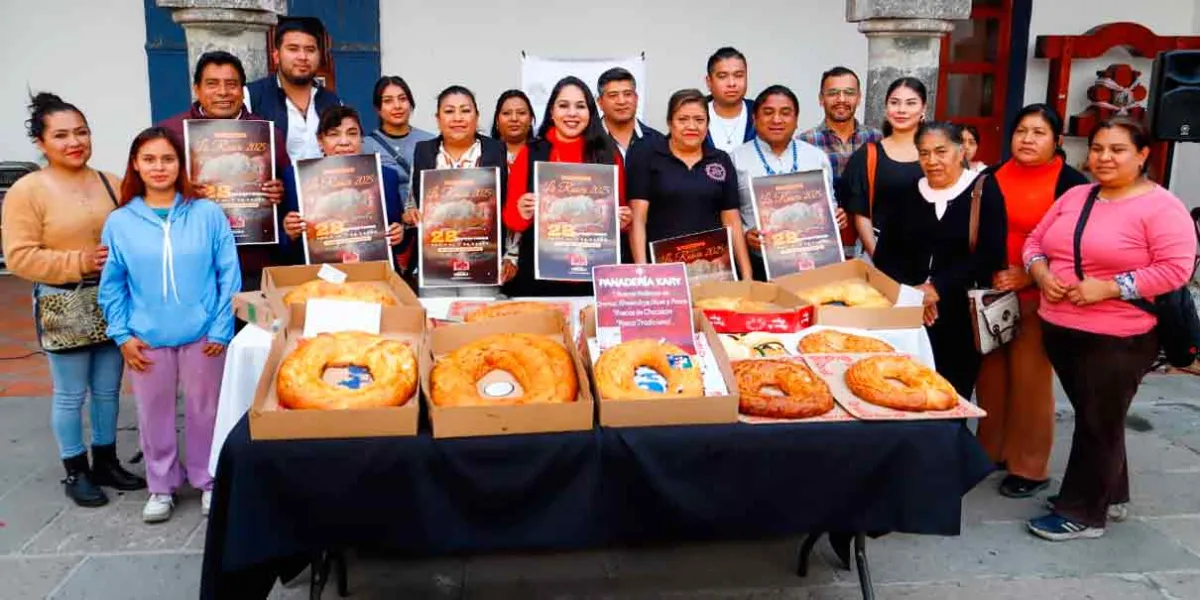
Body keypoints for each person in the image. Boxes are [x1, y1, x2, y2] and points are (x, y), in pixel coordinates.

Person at [1024, 118, 1195, 541]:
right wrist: (1042, 273)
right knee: (1097, 415)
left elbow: (1175, 270)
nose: (1104, 157)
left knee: (1099, 421)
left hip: (1120, 334)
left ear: (1142, 156)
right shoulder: (1077, 196)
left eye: (1117, 150)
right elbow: (1034, 242)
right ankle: (1110, 494)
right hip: (1061, 326)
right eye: (1098, 148)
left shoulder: (1161, 207)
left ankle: (1081, 512)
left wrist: (1112, 287)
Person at [1, 93, 146, 507]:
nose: (74, 142)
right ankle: (75, 469)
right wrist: (78, 260)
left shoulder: (108, 181)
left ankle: (106, 461)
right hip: (62, 302)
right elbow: (20, 256)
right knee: (69, 393)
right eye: (61, 135)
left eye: (81, 132)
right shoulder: (28, 191)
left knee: (107, 389)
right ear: (41, 143)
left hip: (112, 300)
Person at [98, 127, 240, 523]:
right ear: (136, 166)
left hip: (203, 335)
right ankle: (161, 485)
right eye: (149, 159)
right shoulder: (121, 222)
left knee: (205, 410)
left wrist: (220, 327)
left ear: (181, 164)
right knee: (153, 411)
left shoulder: (206, 213)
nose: (159, 167)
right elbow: (112, 285)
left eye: (167, 159)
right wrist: (122, 334)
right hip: (146, 337)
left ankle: (208, 480)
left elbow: (227, 272)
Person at [975, 104, 1088, 499]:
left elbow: (1079, 246)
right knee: (990, 378)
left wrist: (1030, 276)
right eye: (1021, 130)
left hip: (1041, 294)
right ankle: (991, 450)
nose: (1027, 139)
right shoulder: (990, 177)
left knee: (1030, 381)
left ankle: (1030, 466)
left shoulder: (1072, 185)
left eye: (1039, 132)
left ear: (1057, 140)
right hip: (992, 294)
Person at [872, 121, 1006, 397]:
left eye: (941, 152)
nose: (932, 161)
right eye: (924, 153)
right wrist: (915, 293)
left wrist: (937, 289)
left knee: (950, 396)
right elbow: (885, 254)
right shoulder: (909, 192)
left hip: (961, 315)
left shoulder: (983, 190)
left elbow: (989, 254)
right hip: (910, 314)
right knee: (905, 393)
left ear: (961, 152)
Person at [157, 50, 288, 293]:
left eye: (231, 84)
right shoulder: (170, 133)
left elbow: (290, 193)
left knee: (253, 327)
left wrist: (280, 190)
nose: (223, 92)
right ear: (197, 89)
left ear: (242, 90)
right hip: (193, 259)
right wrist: (181, 191)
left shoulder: (267, 134)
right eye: (212, 84)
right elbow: (148, 194)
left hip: (252, 260)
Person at [502, 76, 630, 297]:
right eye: (563, 106)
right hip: (541, 273)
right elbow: (511, 220)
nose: (572, 113)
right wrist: (522, 211)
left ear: (590, 113)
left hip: (594, 272)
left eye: (580, 106)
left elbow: (619, 219)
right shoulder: (531, 152)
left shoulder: (608, 154)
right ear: (552, 112)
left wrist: (623, 220)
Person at [629, 89, 753, 280]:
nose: (691, 126)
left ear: (708, 124)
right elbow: (638, 219)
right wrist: (642, 272)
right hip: (664, 271)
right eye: (683, 119)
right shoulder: (648, 156)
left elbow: (732, 221)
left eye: (699, 120)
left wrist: (747, 275)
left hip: (713, 270)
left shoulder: (721, 160)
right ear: (670, 122)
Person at [730, 85, 847, 281]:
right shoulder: (735, 159)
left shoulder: (816, 157)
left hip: (814, 262)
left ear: (796, 120)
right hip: (760, 262)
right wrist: (744, 234)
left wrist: (836, 216)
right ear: (754, 119)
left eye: (785, 113)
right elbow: (727, 213)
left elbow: (829, 205)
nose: (777, 120)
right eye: (768, 113)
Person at [404, 85, 510, 297]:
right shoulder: (424, 152)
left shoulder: (496, 151)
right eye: (449, 111)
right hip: (435, 262)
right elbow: (412, 200)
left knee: (478, 324)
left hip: (482, 260)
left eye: (465, 110)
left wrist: (511, 256)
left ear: (477, 116)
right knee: (438, 323)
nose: (458, 118)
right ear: (438, 118)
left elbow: (507, 205)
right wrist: (410, 213)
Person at [280, 106, 404, 267]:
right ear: (320, 141)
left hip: (372, 274)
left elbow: (398, 235)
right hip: (319, 277)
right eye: (334, 134)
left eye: (352, 133)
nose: (344, 142)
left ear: (361, 138)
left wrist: (399, 234)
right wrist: (289, 233)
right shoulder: (295, 177)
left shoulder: (386, 177)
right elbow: (282, 246)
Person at [841, 77, 928, 258]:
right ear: (886, 108)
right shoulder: (869, 155)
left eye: (911, 103)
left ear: (923, 109)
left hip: (931, 252)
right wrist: (878, 257)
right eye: (894, 103)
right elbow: (860, 214)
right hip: (879, 248)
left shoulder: (937, 154)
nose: (901, 110)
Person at [245, 19, 341, 163]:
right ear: (276, 56)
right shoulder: (250, 97)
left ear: (319, 56)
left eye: (310, 50)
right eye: (293, 49)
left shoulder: (333, 102)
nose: (302, 57)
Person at [798, 66, 884, 184]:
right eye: (833, 93)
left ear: (859, 98)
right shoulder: (805, 142)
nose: (841, 99)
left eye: (849, 93)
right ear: (821, 99)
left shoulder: (876, 138)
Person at [362, 76, 437, 207]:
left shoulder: (430, 141)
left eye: (402, 99)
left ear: (411, 104)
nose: (397, 106)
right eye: (388, 101)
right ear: (378, 109)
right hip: (391, 222)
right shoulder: (366, 146)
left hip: (425, 219)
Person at [597, 67, 663, 158]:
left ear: (636, 98)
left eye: (627, 94)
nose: (621, 101)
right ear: (600, 102)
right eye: (613, 95)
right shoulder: (587, 141)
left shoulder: (659, 142)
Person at [704, 47, 755, 153]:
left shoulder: (760, 114)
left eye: (738, 75)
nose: (731, 83)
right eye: (722, 76)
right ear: (709, 82)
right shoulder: (694, 115)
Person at [490, 89, 536, 166]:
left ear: (531, 119)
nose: (514, 118)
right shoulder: (483, 154)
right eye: (506, 113)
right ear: (497, 120)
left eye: (521, 113)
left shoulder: (544, 154)